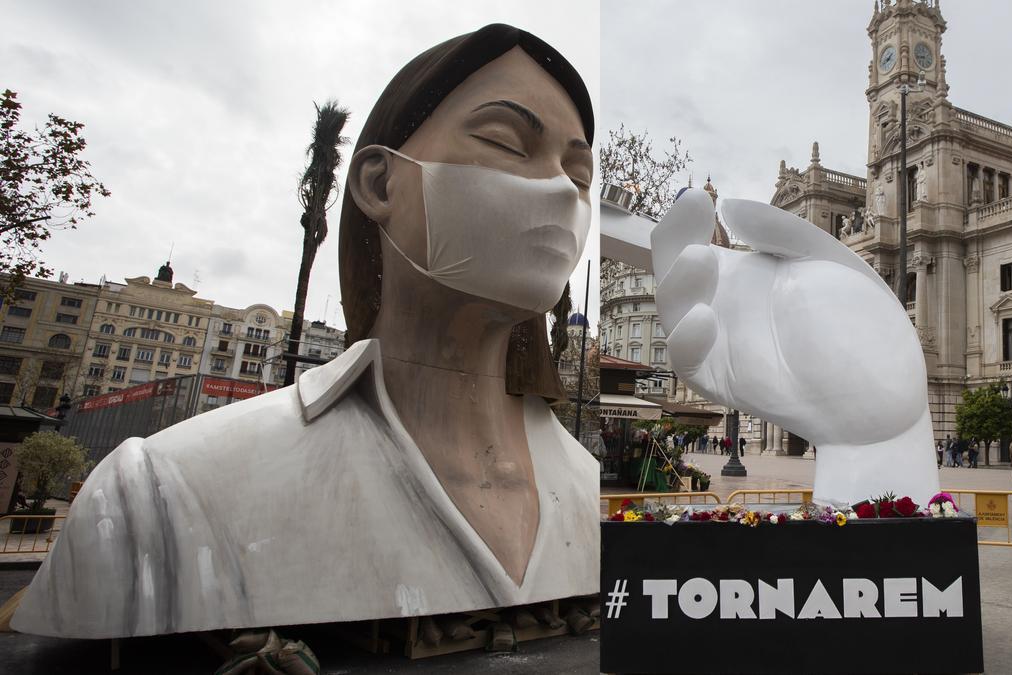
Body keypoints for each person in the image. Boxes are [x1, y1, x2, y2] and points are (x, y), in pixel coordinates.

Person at [15, 24, 599, 639]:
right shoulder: (154, 502)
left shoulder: (593, 494)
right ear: (379, 184)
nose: (562, 189)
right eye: (507, 142)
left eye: (579, 174)